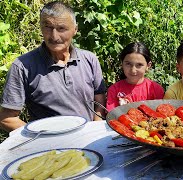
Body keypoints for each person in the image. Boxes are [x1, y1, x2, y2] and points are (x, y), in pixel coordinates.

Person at [0, 1, 106, 132]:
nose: (54, 36)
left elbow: (99, 101)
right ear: (40, 27)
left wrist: (94, 130)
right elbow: (6, 118)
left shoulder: (89, 59)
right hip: (49, 147)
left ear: (75, 30)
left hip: (87, 140)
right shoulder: (23, 66)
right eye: (48, 27)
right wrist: (43, 136)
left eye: (61, 28)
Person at [106, 42, 164, 112]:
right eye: (128, 64)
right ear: (122, 64)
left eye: (139, 65)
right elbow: (113, 116)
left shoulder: (156, 89)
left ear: (148, 66)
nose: (133, 70)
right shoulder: (114, 90)